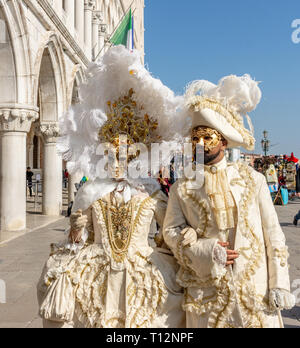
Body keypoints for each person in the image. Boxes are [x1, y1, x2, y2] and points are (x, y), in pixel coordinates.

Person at [37, 46, 185, 328]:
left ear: (138, 155)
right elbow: (79, 235)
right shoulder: (92, 189)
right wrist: (77, 228)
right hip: (97, 264)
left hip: (142, 268)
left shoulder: (152, 190)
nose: (119, 160)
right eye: (114, 154)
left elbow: (168, 231)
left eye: (126, 154)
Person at [163, 74, 295, 328]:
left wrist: (279, 283)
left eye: (207, 137)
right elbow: (170, 232)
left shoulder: (252, 179)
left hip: (254, 291)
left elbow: (273, 233)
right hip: (207, 293)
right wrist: (205, 250)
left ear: (223, 142)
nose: (199, 144)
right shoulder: (182, 188)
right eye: (195, 138)